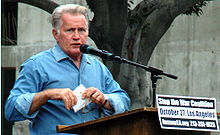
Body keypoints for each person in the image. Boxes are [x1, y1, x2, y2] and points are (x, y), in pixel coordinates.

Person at [4, 4, 130, 135]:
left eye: (81, 30)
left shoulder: (97, 66)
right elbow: (11, 110)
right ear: (55, 34)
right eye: (70, 30)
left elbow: (124, 102)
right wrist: (47, 94)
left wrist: (104, 99)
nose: (76, 36)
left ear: (87, 33)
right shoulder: (37, 65)